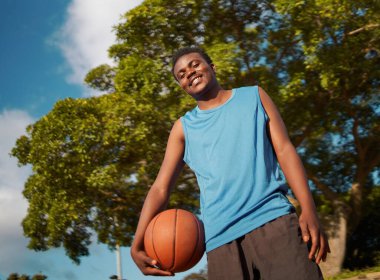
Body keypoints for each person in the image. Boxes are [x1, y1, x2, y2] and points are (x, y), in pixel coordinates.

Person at [130, 47, 330, 279]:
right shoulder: (183, 128)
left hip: (274, 222)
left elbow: (285, 150)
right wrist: (138, 242)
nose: (189, 73)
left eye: (194, 64)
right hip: (220, 241)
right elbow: (160, 188)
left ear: (212, 67)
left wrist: (308, 208)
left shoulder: (254, 96)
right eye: (181, 74)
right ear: (181, 86)